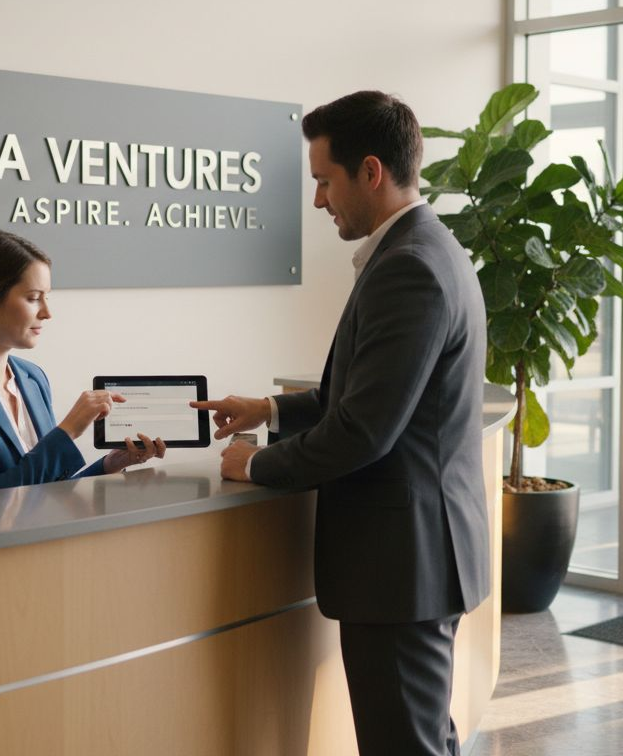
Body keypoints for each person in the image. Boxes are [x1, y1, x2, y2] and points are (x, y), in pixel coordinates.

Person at [192, 91, 489, 756]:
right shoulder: (423, 249)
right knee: (421, 739)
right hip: (415, 562)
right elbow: (361, 395)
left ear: (372, 172)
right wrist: (269, 411)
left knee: (403, 745)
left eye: (325, 181)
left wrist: (256, 462)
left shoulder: (409, 267)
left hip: (402, 566)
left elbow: (364, 430)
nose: (320, 201)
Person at [0, 229, 164, 492]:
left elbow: (44, 489)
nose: (47, 313)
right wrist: (69, 430)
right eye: (33, 298)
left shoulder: (32, 377)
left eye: (46, 297)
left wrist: (110, 464)